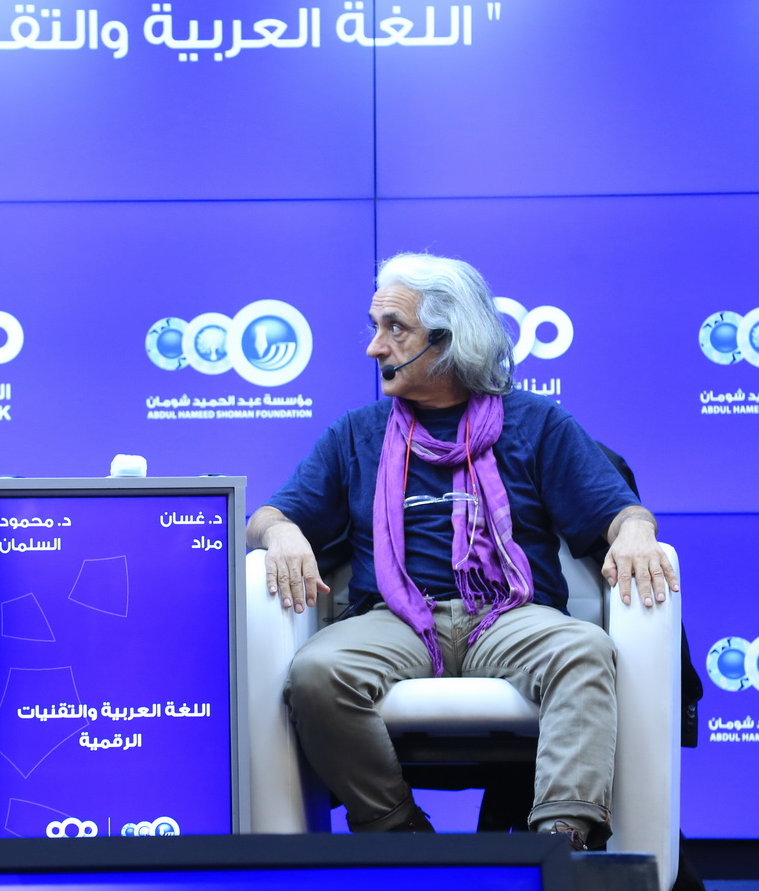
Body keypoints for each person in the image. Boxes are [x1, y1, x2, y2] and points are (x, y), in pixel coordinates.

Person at [246, 252, 677, 850]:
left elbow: (619, 510)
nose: (374, 348)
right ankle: (400, 835)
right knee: (318, 674)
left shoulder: (537, 422)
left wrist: (634, 532)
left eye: (395, 329)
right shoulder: (357, 433)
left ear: (449, 340)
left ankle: (559, 846)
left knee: (584, 651)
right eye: (374, 327)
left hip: (509, 614)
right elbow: (269, 516)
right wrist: (281, 532)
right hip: (394, 617)